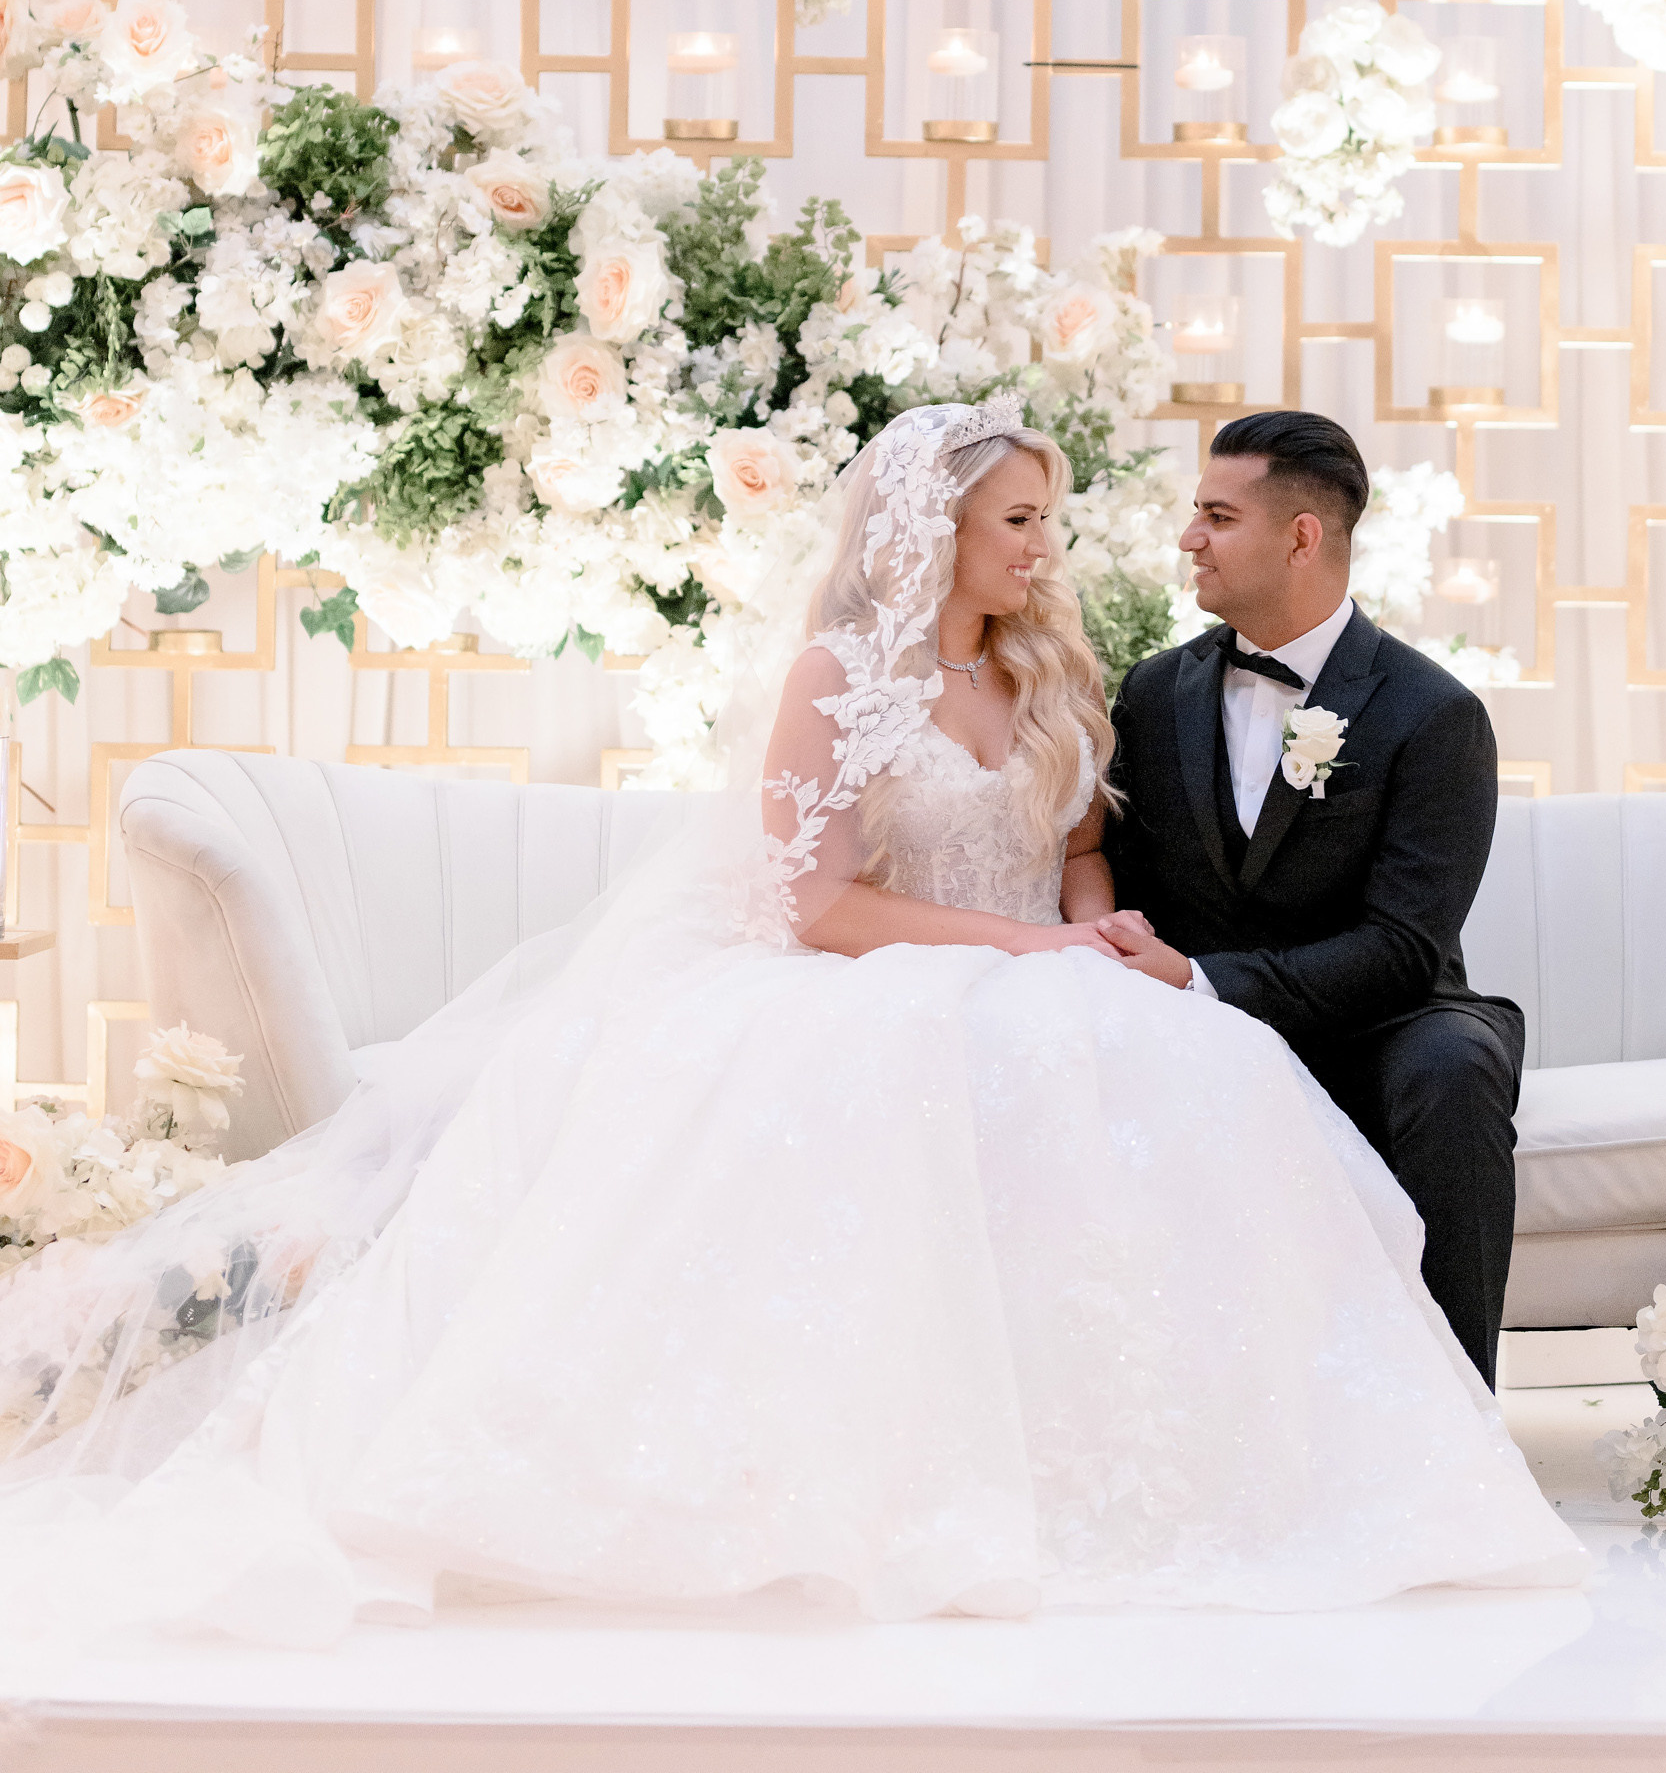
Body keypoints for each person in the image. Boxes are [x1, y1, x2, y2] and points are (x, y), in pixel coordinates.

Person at [0, 398, 1578, 1645]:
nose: (1064, 547)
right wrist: (1034, 949)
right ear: (936, 531)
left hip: (1096, 972)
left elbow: (1091, 842)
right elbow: (816, 906)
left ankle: (1283, 1460)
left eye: (1056, 519)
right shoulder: (848, 678)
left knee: (1187, 1075)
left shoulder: (1088, 679)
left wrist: (1095, 927)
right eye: (1022, 522)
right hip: (875, 970)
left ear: (1303, 535)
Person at [1101, 410, 1520, 1387]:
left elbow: (1405, 949)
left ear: (1299, 536)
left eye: (1215, 515)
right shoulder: (1154, 693)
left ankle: (1456, 1416)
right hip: (1191, 1019)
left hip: (1381, 1019)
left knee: (1454, 1068)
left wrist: (1203, 979)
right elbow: (1117, 874)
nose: (1187, 539)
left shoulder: (1433, 715)